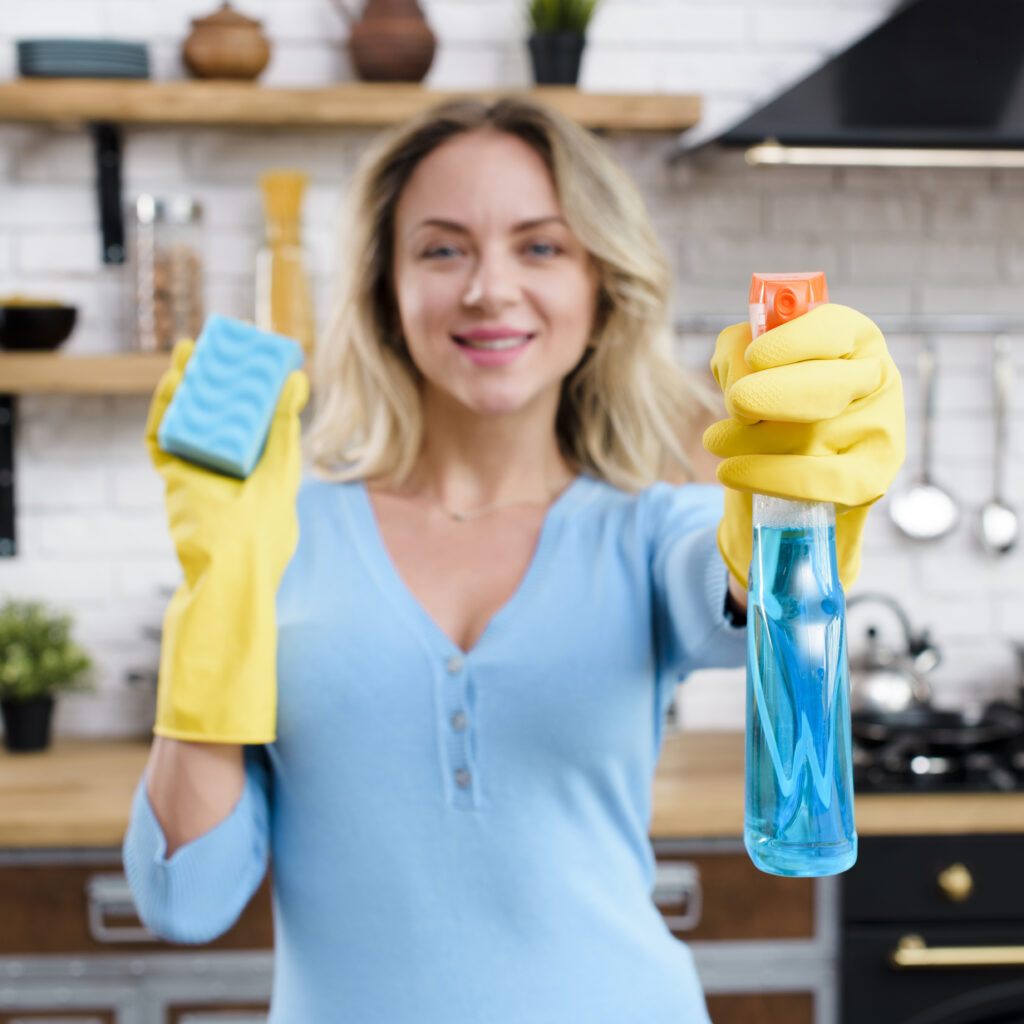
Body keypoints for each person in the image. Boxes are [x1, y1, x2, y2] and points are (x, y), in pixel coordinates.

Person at [123, 97, 904, 1022]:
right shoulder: (270, 535)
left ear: (600, 286)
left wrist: (793, 514)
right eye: (443, 248)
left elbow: (728, 596)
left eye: (540, 247)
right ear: (385, 290)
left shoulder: (651, 529)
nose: (490, 288)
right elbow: (186, 900)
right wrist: (224, 586)